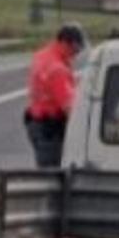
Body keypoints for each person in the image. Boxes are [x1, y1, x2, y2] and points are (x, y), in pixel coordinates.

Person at [24, 24, 85, 168]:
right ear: (65, 43)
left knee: (44, 166)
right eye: (75, 48)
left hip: (36, 123)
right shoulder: (57, 70)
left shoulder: (41, 56)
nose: (76, 54)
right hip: (50, 129)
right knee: (53, 174)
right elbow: (70, 108)